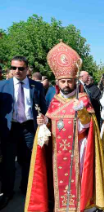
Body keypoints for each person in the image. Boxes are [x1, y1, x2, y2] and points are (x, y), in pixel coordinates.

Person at [25, 41, 104, 211]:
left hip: (79, 148)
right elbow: (49, 124)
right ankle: (60, 204)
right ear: (58, 82)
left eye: (69, 81)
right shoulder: (55, 101)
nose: (66, 85)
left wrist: (82, 112)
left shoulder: (83, 99)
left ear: (75, 81)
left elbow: (88, 127)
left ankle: (82, 203)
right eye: (62, 81)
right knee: (59, 179)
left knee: (80, 178)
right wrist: (44, 124)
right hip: (58, 150)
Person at [0, 56, 47, 210]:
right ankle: (7, 192)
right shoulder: (2, 86)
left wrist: (43, 118)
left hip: (28, 128)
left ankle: (27, 188)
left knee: (28, 161)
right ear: (10, 69)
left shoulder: (36, 86)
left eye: (21, 68)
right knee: (8, 163)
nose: (17, 71)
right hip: (10, 129)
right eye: (14, 68)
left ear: (27, 69)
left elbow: (43, 108)